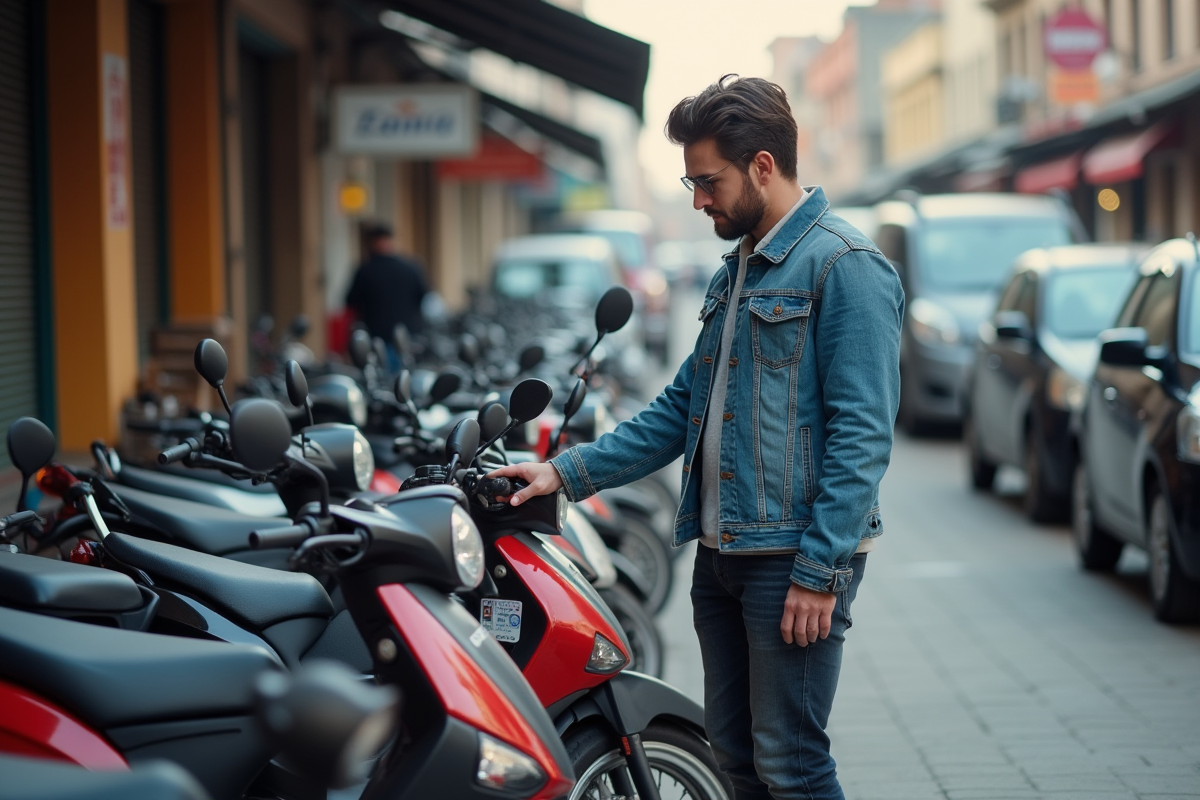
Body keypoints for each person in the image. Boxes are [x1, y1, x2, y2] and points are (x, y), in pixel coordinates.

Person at [490, 75, 903, 800]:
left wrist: (819, 571)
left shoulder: (846, 266)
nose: (698, 200)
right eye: (689, 182)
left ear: (764, 166)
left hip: (789, 559)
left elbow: (863, 436)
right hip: (721, 559)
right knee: (737, 761)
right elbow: (683, 408)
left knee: (792, 765)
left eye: (708, 181)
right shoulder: (738, 268)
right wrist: (564, 473)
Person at [344, 223, 428, 368]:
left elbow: (351, 300)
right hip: (406, 332)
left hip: (376, 335)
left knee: (381, 378)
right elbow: (423, 295)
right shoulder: (410, 267)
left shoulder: (365, 270)